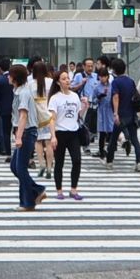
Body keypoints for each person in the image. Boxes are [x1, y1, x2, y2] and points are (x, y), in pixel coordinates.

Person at [7, 62, 47, 209]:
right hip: (25, 132)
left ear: (14, 78)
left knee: (20, 167)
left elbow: (23, 115)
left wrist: (18, 136)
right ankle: (34, 191)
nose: (8, 78)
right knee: (15, 166)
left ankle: (28, 200)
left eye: (9, 76)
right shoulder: (19, 90)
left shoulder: (23, 93)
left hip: (26, 132)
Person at [47, 71, 87, 200]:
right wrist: (53, 136)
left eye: (68, 78)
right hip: (60, 133)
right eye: (64, 79)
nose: (67, 81)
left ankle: (73, 189)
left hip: (73, 132)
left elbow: (78, 115)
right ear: (58, 82)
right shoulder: (55, 98)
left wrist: (85, 106)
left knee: (77, 160)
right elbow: (52, 119)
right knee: (59, 162)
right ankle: (59, 190)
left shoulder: (75, 96)